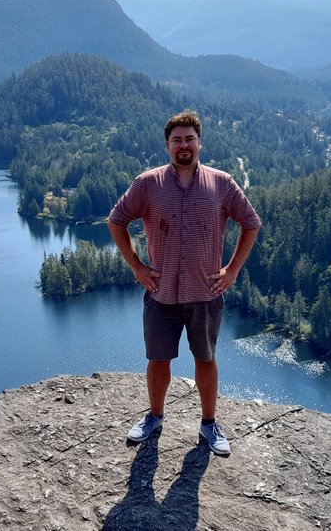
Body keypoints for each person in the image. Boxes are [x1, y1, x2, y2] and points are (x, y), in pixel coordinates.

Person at [108, 110, 261, 455]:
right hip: (160, 291)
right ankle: (154, 417)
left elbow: (251, 222)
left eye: (189, 138)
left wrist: (233, 269)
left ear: (199, 142)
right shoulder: (148, 184)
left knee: (206, 359)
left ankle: (209, 424)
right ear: (167, 145)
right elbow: (116, 220)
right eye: (177, 140)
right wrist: (136, 265)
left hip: (204, 292)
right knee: (158, 360)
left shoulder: (222, 184)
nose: (183, 145)